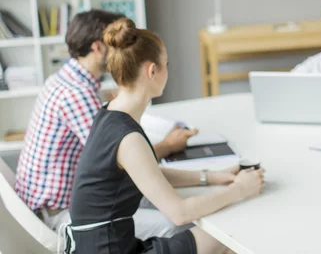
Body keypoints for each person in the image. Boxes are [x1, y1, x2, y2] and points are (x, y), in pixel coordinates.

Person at [68, 18, 266, 253]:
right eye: (166, 64)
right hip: (110, 250)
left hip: (98, 247)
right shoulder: (127, 137)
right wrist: (240, 190)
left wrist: (213, 176)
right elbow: (180, 213)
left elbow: (149, 173)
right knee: (230, 235)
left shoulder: (109, 114)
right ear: (152, 70)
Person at [15, 10, 197, 238]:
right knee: (179, 223)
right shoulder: (78, 94)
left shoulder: (64, 79)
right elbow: (123, 157)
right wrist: (168, 145)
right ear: (98, 47)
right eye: (115, 42)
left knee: (168, 200)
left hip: (50, 205)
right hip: (61, 215)